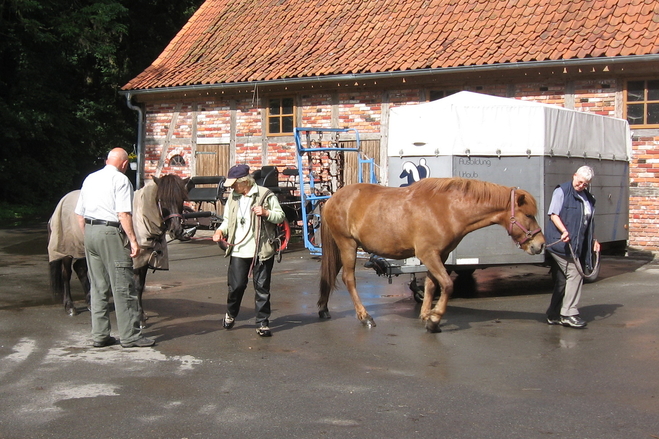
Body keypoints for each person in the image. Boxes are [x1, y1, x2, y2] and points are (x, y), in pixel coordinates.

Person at [75, 148, 155, 348]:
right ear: (124, 164)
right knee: (123, 285)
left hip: (91, 232)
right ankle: (130, 336)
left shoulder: (90, 178)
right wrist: (134, 241)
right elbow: (123, 215)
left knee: (98, 286)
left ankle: (100, 335)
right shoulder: (120, 180)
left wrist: (90, 234)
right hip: (110, 233)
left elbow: (79, 214)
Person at [212, 164, 285, 337]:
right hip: (238, 250)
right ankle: (231, 314)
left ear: (245, 182)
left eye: (234, 184)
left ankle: (262, 323)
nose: (232, 188)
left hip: (261, 251)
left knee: (262, 289)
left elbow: (280, 215)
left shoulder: (265, 194)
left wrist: (266, 212)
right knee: (236, 287)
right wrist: (220, 231)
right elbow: (227, 220)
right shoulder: (233, 198)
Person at [545, 165, 600, 328]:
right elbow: (553, 214)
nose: (581, 185)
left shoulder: (588, 198)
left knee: (562, 280)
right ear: (574, 175)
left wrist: (594, 240)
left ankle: (553, 314)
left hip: (577, 245)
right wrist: (564, 230)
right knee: (575, 274)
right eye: (580, 181)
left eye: (585, 184)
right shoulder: (561, 191)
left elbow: (588, 223)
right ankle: (569, 313)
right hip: (560, 243)